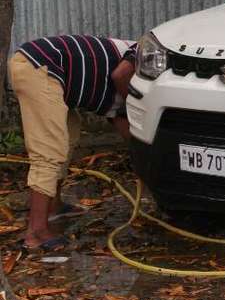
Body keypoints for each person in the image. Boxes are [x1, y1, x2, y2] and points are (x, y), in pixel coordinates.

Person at [9, 35, 136, 251]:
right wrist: (135, 102)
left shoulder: (121, 102)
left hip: (51, 73)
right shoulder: (149, 54)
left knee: (68, 134)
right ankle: (36, 233)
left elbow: (127, 130)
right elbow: (119, 74)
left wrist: (142, 157)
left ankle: (54, 206)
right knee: (48, 150)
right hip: (41, 65)